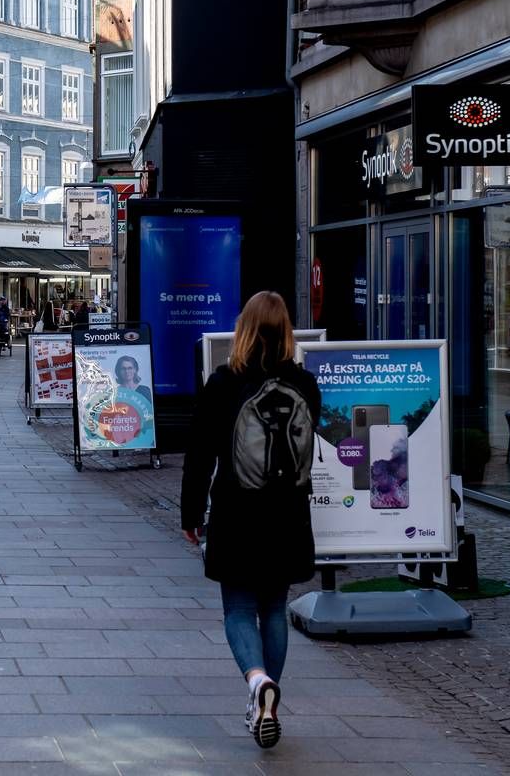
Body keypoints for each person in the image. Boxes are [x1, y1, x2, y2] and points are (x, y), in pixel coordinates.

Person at [180, 290, 319, 750]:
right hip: (288, 514)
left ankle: (257, 683)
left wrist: (190, 513)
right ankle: (266, 698)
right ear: (286, 333)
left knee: (239, 609)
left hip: (238, 512)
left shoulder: (224, 383)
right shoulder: (305, 386)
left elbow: (199, 455)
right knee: (273, 608)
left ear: (243, 329)